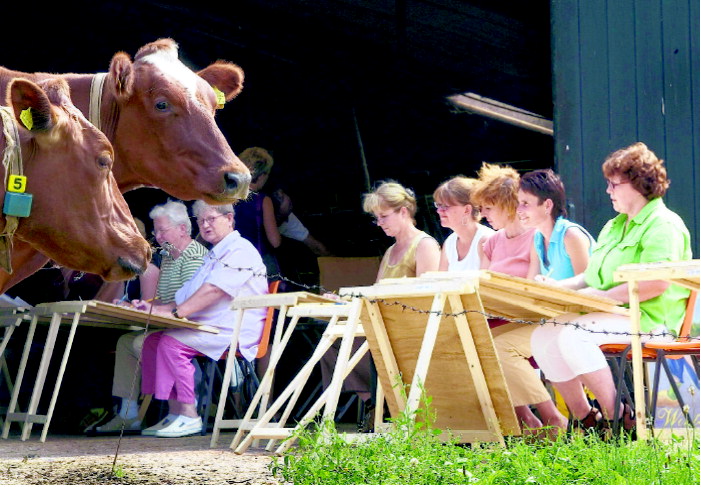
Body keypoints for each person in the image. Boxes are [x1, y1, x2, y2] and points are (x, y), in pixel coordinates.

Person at [530, 142, 691, 436]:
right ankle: (587, 419)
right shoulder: (613, 226)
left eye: (613, 184)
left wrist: (598, 297)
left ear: (638, 184)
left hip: (652, 320)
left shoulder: (664, 224)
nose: (608, 191)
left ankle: (619, 418)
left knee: (574, 335)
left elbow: (657, 283)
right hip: (612, 314)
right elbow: (589, 279)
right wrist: (555, 286)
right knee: (543, 334)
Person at [132, 201, 269, 438]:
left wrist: (175, 314)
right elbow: (188, 296)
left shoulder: (239, 249)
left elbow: (213, 291)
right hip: (212, 325)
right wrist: (155, 308)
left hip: (234, 329)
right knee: (153, 341)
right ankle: (175, 413)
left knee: (171, 343)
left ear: (229, 219)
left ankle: (190, 414)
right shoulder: (215, 252)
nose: (205, 225)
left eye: (211, 219)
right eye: (201, 220)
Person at [320, 181, 440, 416]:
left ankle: (381, 404)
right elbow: (375, 295)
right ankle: (374, 403)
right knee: (330, 340)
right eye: (377, 218)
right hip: (385, 326)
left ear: (403, 212)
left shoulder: (424, 245)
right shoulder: (390, 251)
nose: (379, 223)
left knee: (345, 342)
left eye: (384, 216)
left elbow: (429, 297)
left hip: (410, 331)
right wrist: (344, 302)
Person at [92, 201, 208, 433]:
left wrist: (153, 309)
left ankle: (183, 407)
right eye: (156, 231)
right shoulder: (168, 257)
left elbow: (188, 304)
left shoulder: (194, 256)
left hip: (195, 328)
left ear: (183, 229)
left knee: (141, 342)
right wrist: (141, 305)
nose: (157, 236)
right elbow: (164, 301)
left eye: (163, 230)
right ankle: (128, 414)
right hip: (175, 325)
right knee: (125, 342)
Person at [472, 163, 568, 436]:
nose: (484, 215)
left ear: (506, 204)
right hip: (501, 318)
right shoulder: (490, 242)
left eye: (488, 208)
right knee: (471, 344)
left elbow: (530, 293)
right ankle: (524, 421)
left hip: (533, 318)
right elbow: (480, 286)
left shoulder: (536, 237)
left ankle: (550, 418)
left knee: (493, 346)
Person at [517, 169, 594, 280]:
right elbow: (531, 286)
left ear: (547, 205)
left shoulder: (571, 236)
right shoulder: (537, 238)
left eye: (525, 203)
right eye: (519, 203)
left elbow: (586, 286)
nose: (518, 209)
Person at [432, 176, 494, 271]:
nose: (439, 211)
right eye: (438, 205)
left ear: (467, 210)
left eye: (445, 206)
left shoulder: (486, 240)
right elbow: (441, 283)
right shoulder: (449, 243)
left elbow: (487, 283)